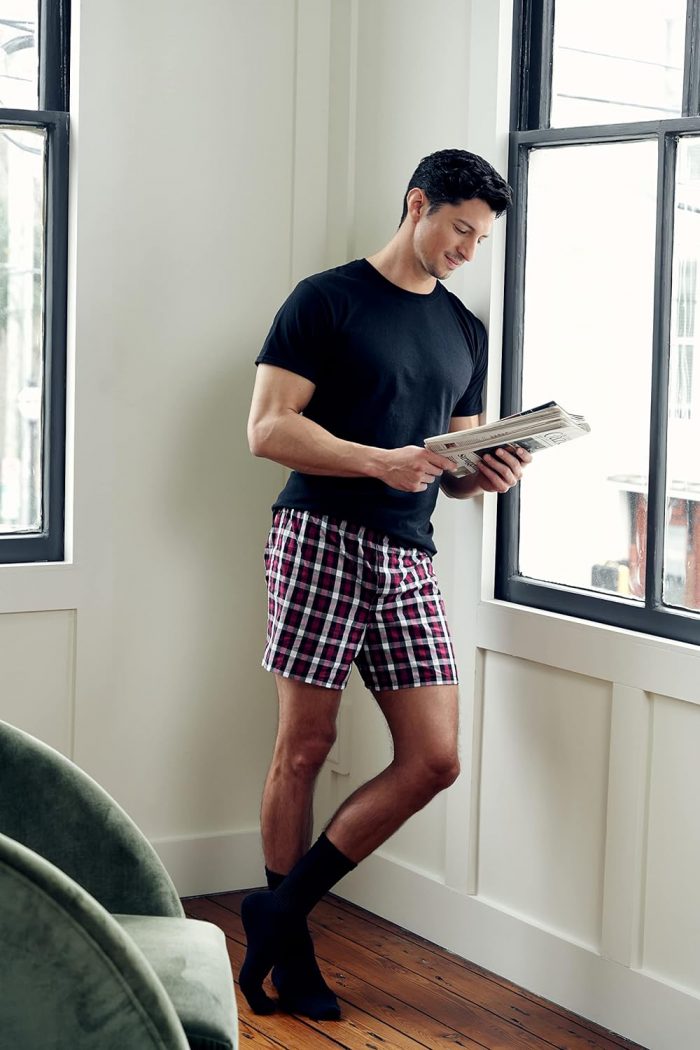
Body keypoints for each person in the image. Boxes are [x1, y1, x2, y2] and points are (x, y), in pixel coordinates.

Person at [242, 148, 531, 1020]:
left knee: (434, 759)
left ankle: (278, 911)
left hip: (409, 555)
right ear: (417, 205)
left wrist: (487, 473)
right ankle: (292, 954)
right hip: (318, 538)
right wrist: (378, 461)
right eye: (459, 230)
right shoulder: (325, 300)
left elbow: (453, 464)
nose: (467, 251)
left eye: (480, 240)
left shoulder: (465, 331)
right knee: (304, 747)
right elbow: (268, 429)